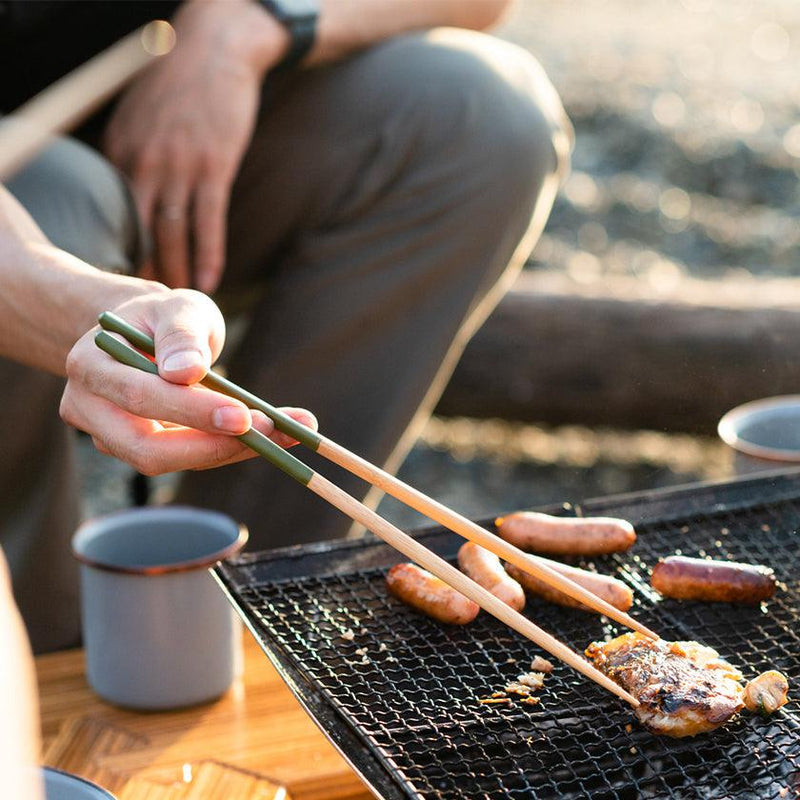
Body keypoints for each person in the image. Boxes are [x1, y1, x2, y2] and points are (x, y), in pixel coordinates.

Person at [1, 0, 572, 653]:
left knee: (481, 114)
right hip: (25, 206)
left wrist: (247, 24)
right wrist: (85, 308)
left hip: (205, 119)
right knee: (66, 198)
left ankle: (232, 625)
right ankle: (35, 679)